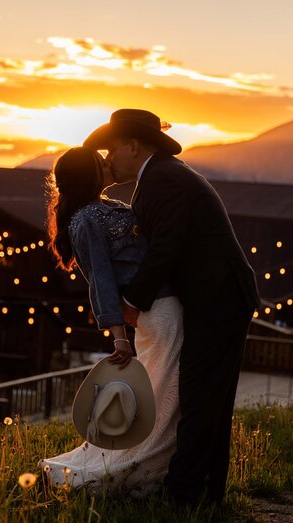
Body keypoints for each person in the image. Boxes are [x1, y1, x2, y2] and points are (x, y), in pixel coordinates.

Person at [83, 109, 260, 506]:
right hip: (217, 297)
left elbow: (165, 249)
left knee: (200, 398)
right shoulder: (161, 177)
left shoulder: (163, 180)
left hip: (219, 299)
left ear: (133, 145)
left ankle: (182, 497)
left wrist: (128, 303)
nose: (108, 158)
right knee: (208, 399)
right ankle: (205, 494)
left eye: (112, 149)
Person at [40, 146, 183, 494]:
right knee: (166, 392)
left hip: (164, 301)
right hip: (158, 311)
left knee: (165, 389)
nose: (108, 163)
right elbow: (101, 279)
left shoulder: (114, 207)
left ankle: (152, 464)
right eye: (98, 163)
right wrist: (118, 336)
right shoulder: (85, 220)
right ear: (85, 175)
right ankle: (136, 470)